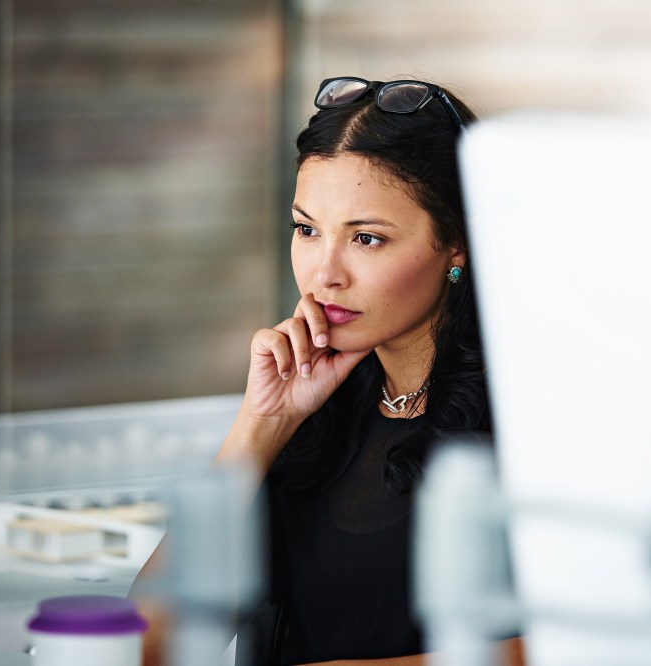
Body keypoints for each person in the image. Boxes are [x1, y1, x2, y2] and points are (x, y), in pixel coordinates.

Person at [134, 76, 524, 665]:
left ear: (458, 243)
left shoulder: (530, 426)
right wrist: (260, 427)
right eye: (307, 229)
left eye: (367, 238)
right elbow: (146, 647)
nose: (324, 274)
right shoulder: (311, 408)